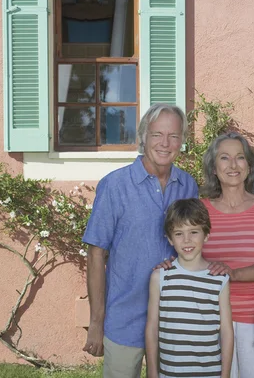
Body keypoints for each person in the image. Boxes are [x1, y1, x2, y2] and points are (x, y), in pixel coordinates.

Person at [82, 104, 199, 378]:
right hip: (125, 318)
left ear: (182, 141)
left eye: (174, 136)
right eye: (158, 134)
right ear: (144, 136)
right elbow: (95, 254)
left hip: (174, 319)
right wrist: (96, 323)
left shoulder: (188, 186)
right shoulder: (115, 185)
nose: (165, 143)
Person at [201, 132, 254, 378]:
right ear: (214, 168)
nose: (233, 165)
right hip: (211, 319)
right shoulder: (201, 210)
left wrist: (232, 273)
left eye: (240, 158)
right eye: (224, 158)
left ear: (249, 165)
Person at [145, 198, 233, 378]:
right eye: (179, 233)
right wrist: (152, 373)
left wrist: (225, 375)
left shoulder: (219, 279)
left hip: (210, 373)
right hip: (170, 373)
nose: (187, 240)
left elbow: (226, 331)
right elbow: (152, 328)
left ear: (206, 235)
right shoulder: (160, 277)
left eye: (194, 232)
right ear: (170, 239)